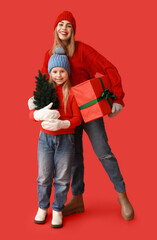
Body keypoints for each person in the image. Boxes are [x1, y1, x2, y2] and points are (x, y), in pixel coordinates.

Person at [28, 11, 134, 221]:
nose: (64, 28)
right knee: (74, 158)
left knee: (104, 152)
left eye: (69, 25)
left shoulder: (83, 50)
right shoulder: (50, 54)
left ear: (73, 30)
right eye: (60, 24)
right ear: (55, 29)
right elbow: (43, 82)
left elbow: (109, 68)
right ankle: (77, 198)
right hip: (66, 112)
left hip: (89, 110)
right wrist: (36, 103)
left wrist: (117, 98)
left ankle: (122, 195)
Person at [29, 46, 82, 228]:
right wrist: (37, 114)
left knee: (62, 178)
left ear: (67, 72)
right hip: (45, 139)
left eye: (62, 71)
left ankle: (58, 209)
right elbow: (32, 113)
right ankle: (42, 208)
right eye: (55, 71)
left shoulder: (73, 93)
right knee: (43, 177)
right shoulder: (44, 91)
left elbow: (77, 118)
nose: (58, 75)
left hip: (66, 141)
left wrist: (64, 124)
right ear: (50, 73)